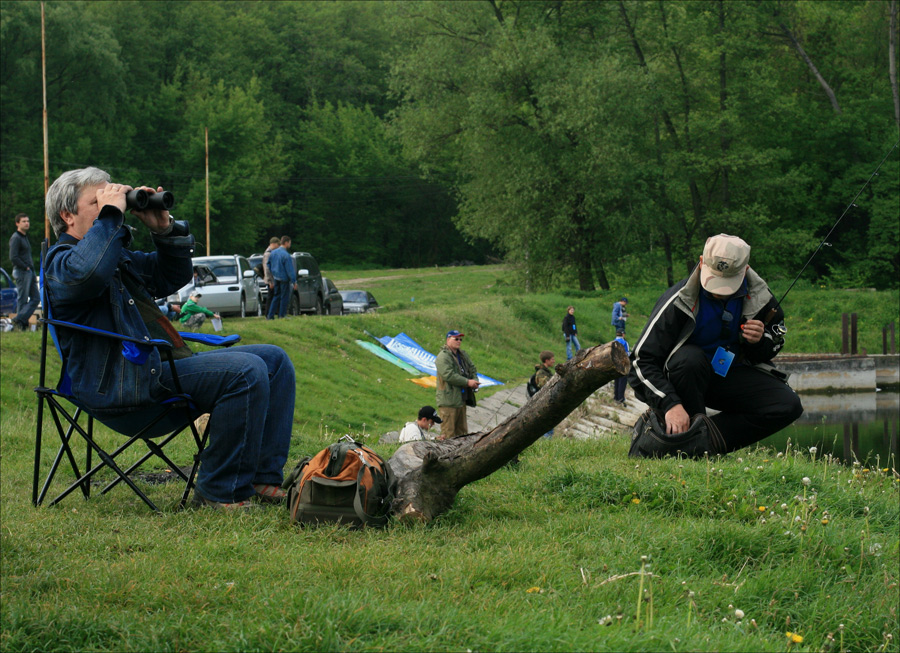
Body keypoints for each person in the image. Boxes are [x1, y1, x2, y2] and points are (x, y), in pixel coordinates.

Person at [43, 167, 295, 510]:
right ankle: (218, 491)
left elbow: (169, 276)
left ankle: (261, 479)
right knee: (245, 370)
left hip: (153, 371)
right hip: (120, 386)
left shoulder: (116, 257)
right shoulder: (59, 264)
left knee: (274, 360)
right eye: (98, 201)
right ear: (67, 215)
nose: (111, 205)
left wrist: (164, 230)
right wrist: (113, 215)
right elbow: (87, 274)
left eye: (112, 199)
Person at [628, 233, 803, 455]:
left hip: (728, 375)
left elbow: (772, 348)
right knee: (689, 359)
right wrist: (669, 404)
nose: (719, 292)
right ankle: (685, 440)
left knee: (787, 405)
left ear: (745, 270)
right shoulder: (678, 299)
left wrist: (759, 341)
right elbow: (640, 361)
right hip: (684, 378)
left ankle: (704, 445)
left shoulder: (762, 299)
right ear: (702, 262)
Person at [435, 329, 480, 438]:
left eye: (460, 339)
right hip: (448, 402)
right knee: (448, 435)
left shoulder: (462, 355)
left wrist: (475, 380)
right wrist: (467, 382)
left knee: (462, 435)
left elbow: (472, 368)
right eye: (456, 339)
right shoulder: (443, 357)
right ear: (448, 340)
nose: (459, 341)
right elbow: (448, 375)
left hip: (461, 400)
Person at [8, 213, 39, 331]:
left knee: (36, 298)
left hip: (29, 271)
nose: (27, 223)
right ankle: (21, 324)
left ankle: (19, 319)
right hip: (22, 272)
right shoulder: (16, 237)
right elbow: (13, 257)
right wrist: (25, 267)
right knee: (22, 299)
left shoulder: (24, 237)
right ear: (17, 223)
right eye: (24, 221)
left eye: (28, 221)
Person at [266, 235, 296, 320]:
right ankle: (282, 315)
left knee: (276, 296)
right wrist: (294, 281)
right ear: (286, 243)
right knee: (284, 297)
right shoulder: (286, 255)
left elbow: (268, 264)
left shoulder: (273, 253)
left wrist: (273, 272)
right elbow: (290, 269)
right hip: (284, 278)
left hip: (276, 277)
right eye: (290, 243)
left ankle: (270, 315)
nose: (290, 244)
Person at [531, 351, 556, 438]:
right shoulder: (541, 373)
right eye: (552, 359)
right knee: (547, 428)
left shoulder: (546, 372)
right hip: (544, 403)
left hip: (548, 402)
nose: (554, 361)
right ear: (546, 360)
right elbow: (545, 386)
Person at [261, 236, 280, 312]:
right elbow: (267, 269)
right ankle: (268, 313)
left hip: (272, 279)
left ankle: (272, 312)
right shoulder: (268, 254)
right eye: (278, 245)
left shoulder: (271, 253)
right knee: (270, 297)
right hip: (271, 280)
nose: (278, 247)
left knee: (272, 296)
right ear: (274, 244)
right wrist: (270, 281)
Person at [613, 330, 630, 405]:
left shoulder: (613, 342)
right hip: (622, 364)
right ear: (623, 334)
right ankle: (621, 398)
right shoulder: (624, 342)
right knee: (622, 381)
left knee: (616, 381)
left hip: (614, 364)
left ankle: (616, 397)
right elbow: (627, 353)